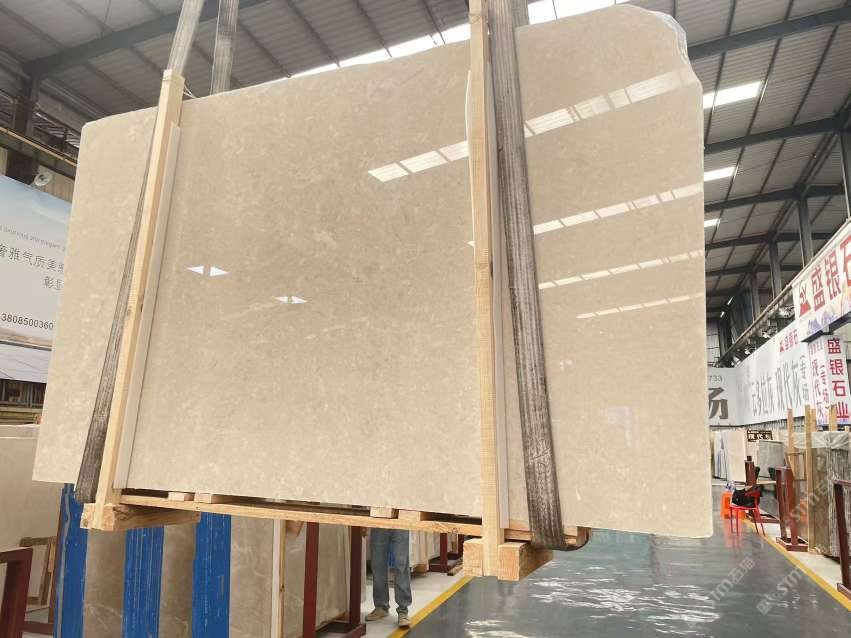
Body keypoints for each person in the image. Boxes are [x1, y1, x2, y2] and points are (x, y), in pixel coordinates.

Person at [365, 528, 412, 627]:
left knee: (401, 564)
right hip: (379, 521)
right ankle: (381, 606)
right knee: (377, 563)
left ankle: (403, 610)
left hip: (400, 521)